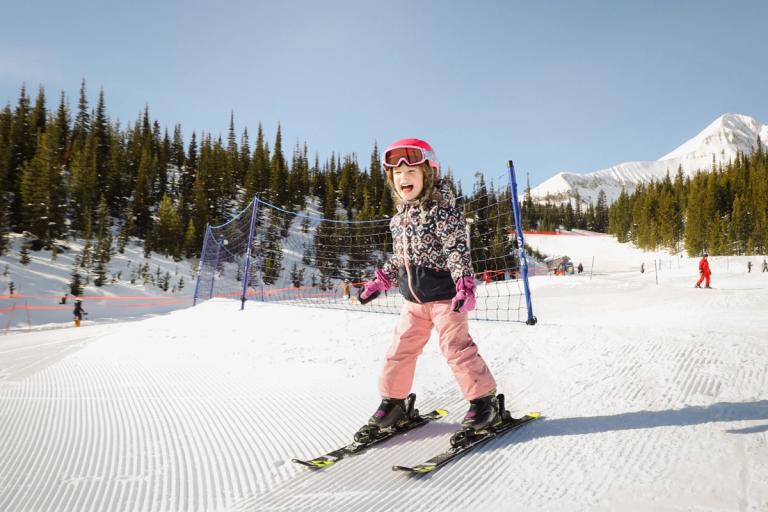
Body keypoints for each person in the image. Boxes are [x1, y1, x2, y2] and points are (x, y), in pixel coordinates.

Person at [358, 138, 500, 433]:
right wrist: (380, 280)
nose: (403, 178)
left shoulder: (442, 212)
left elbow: (456, 249)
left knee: (456, 348)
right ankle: (394, 402)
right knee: (400, 349)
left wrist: (464, 284)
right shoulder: (399, 220)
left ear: (429, 174)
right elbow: (399, 258)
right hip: (413, 301)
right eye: (397, 174)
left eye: (411, 172)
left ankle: (484, 403)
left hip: (446, 298)